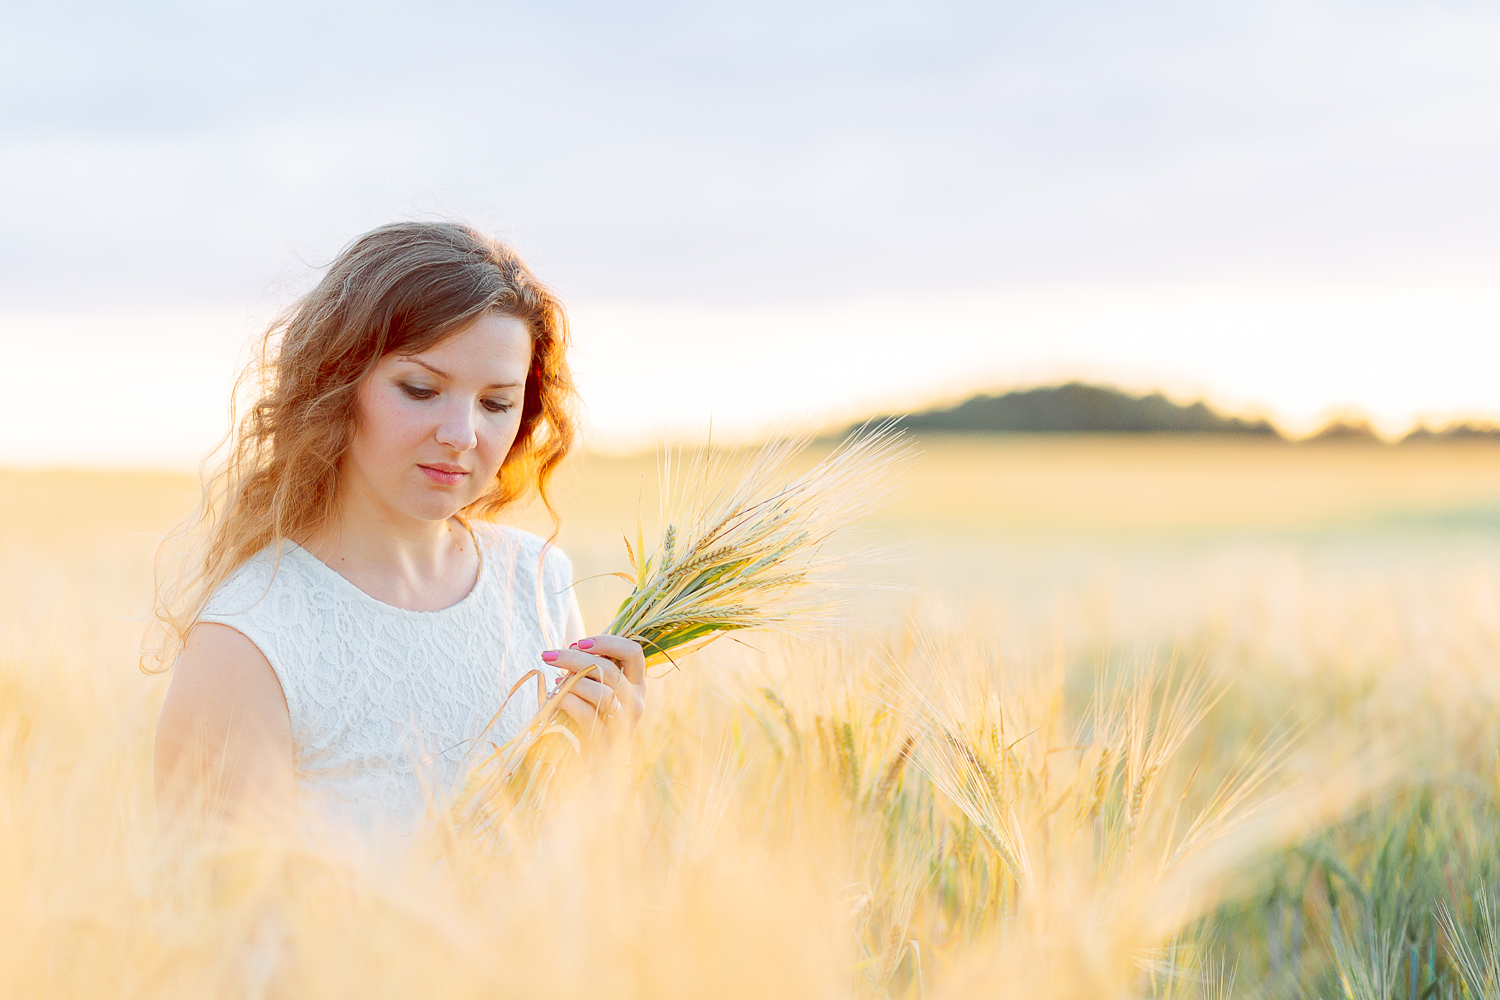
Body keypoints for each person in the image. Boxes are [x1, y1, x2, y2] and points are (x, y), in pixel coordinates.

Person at [148, 221, 645, 837]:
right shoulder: (252, 635)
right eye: (421, 389)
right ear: (336, 384)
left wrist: (603, 766)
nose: (463, 434)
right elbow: (221, 916)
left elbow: (570, 865)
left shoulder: (537, 580)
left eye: (497, 403)